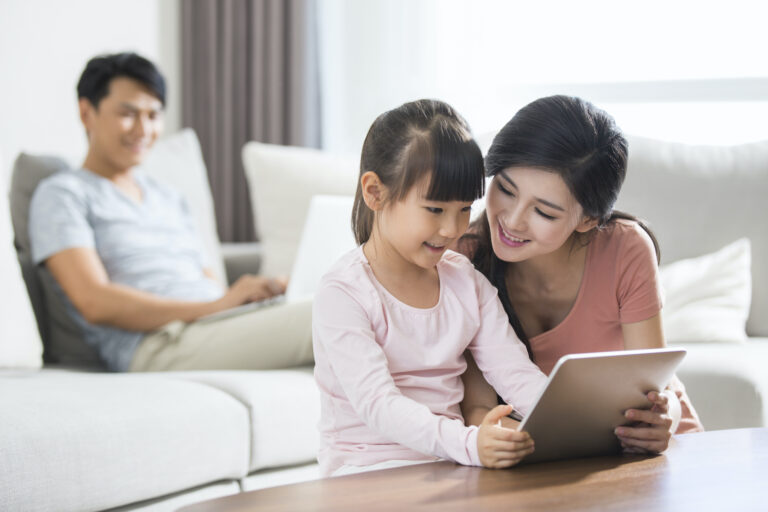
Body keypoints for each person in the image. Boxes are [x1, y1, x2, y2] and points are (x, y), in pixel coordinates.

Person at [28, 52, 313, 372]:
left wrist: (251, 297)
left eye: (153, 115)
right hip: (156, 341)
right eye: (128, 113)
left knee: (337, 298)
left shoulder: (168, 198)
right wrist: (215, 306)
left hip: (215, 324)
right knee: (337, 313)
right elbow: (94, 301)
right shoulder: (63, 194)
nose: (143, 129)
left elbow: (212, 286)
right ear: (86, 113)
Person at [312, 99, 550, 478]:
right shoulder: (343, 293)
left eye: (464, 209)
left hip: (451, 464)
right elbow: (379, 405)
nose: (453, 229)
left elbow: (515, 373)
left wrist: (583, 424)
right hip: (365, 473)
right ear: (375, 192)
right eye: (435, 210)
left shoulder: (466, 282)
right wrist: (470, 443)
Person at [458, 95, 704, 454]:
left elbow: (659, 384)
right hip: (534, 453)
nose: (511, 220)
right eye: (505, 189)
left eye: (544, 212)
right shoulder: (462, 258)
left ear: (589, 219)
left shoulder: (626, 249)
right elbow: (475, 410)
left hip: (651, 446)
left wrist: (666, 413)